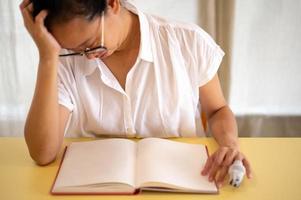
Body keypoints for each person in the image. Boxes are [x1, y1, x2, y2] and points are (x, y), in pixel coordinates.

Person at [19, 0, 252, 188]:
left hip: (181, 187)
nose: (87, 56)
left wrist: (230, 145)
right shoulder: (65, 58)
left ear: (112, 4)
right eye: (75, 49)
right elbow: (42, 153)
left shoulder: (187, 42)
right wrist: (48, 56)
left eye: (91, 43)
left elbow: (218, 110)